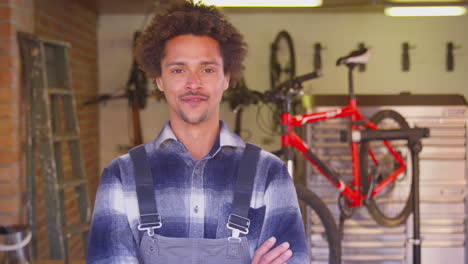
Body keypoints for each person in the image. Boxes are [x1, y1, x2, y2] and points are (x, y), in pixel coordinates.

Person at [86, 1, 308, 263]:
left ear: (226, 78)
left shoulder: (269, 174)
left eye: (207, 69)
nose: (193, 83)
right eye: (178, 70)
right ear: (159, 79)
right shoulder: (122, 177)